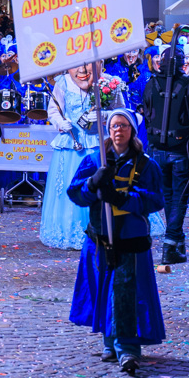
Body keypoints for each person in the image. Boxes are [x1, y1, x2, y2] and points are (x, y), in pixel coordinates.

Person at [67, 109, 165, 376]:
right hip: (99, 240)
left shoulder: (146, 165)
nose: (117, 130)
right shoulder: (94, 160)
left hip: (130, 243)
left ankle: (128, 348)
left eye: (123, 125)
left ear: (132, 130)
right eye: (113, 125)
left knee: (126, 295)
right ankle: (109, 342)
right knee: (103, 290)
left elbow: (156, 200)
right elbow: (75, 194)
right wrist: (92, 183)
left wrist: (123, 199)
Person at [142, 46, 189, 264]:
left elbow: (145, 111)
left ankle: (176, 240)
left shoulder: (151, 84)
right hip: (180, 150)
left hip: (158, 150)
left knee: (170, 197)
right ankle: (171, 243)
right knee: (178, 198)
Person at [42, 63, 109, 250]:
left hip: (98, 146)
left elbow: (121, 112)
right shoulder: (62, 83)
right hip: (72, 147)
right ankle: (73, 233)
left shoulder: (109, 83)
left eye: (88, 65)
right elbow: (53, 111)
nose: (82, 71)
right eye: (76, 66)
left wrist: (103, 116)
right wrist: (60, 123)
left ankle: (102, 229)